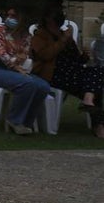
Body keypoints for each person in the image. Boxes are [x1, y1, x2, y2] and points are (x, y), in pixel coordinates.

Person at [31, 7, 104, 138]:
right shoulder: (40, 35)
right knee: (95, 86)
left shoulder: (65, 35)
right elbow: (46, 55)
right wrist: (62, 41)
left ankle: (89, 102)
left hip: (73, 71)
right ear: (48, 19)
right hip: (54, 73)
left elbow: (76, 59)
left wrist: (84, 56)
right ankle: (98, 124)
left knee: (97, 75)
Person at [0, 6, 50, 135]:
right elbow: (1, 53)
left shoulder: (26, 36)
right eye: (9, 15)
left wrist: (18, 63)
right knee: (27, 83)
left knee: (43, 86)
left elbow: (24, 56)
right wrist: (16, 64)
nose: (10, 19)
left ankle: (26, 121)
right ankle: (14, 120)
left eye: (14, 16)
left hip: (15, 69)